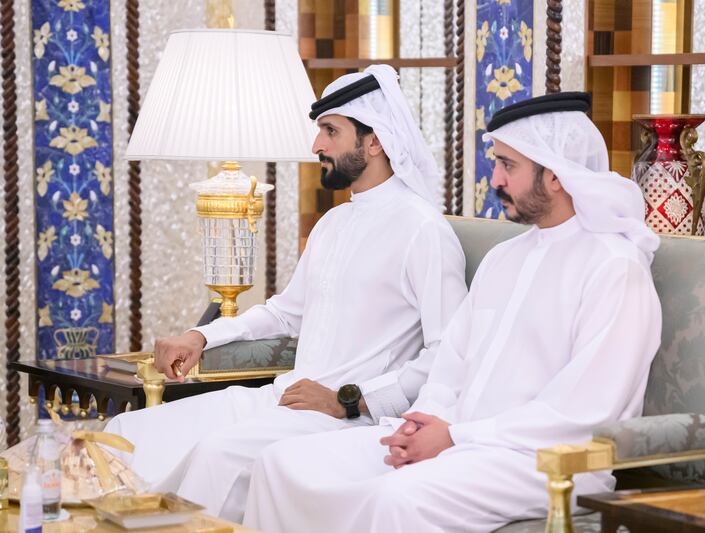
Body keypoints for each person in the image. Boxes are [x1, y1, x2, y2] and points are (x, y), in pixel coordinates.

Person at [241, 92, 663, 533]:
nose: (494, 179)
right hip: (460, 440)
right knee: (280, 464)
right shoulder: (506, 257)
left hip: (541, 461)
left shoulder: (615, 267)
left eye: (508, 166)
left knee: (396, 499)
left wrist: (458, 436)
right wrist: (424, 424)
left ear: (556, 176)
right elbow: (450, 363)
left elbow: (582, 411)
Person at [104, 64, 467, 522]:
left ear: (374, 141)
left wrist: (350, 400)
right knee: (132, 433)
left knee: (216, 456)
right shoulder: (334, 223)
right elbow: (283, 314)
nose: (317, 145)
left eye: (330, 131)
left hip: (344, 417)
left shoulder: (423, 231)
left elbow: (448, 351)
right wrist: (202, 337)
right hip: (282, 398)